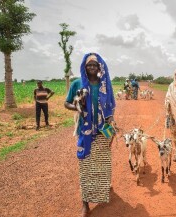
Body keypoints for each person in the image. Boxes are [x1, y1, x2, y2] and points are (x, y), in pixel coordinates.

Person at [64, 53, 116, 217]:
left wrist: (112, 124)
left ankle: (103, 189)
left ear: (100, 67)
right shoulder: (77, 83)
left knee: (102, 164)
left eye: (95, 65)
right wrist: (77, 108)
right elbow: (67, 102)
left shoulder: (104, 84)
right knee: (85, 166)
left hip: (102, 131)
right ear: (84, 67)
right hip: (85, 132)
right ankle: (85, 204)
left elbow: (111, 106)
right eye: (89, 65)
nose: (92, 67)